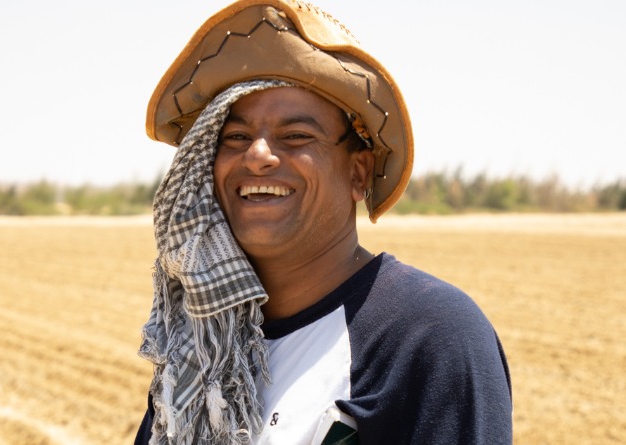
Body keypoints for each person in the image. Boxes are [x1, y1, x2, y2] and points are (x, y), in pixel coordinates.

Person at [135, 1, 512, 443]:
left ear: (358, 172)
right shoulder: (201, 353)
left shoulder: (428, 336)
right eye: (235, 137)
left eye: (295, 136)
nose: (256, 155)